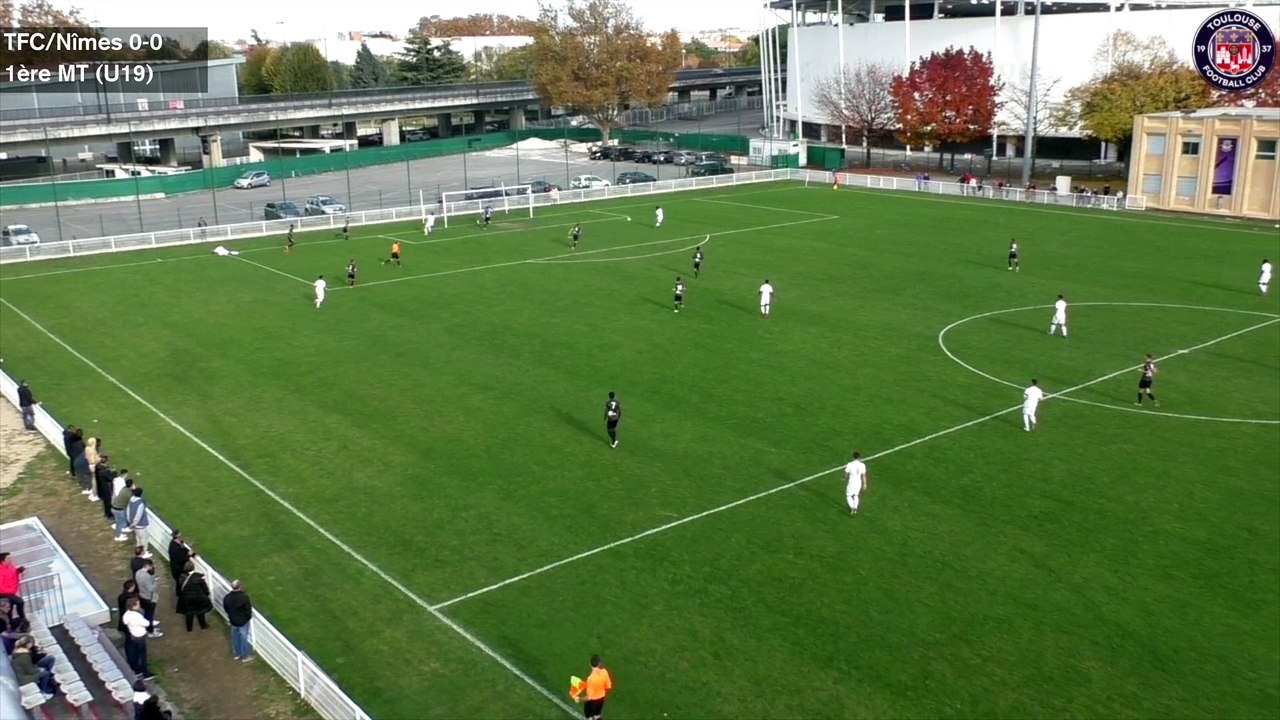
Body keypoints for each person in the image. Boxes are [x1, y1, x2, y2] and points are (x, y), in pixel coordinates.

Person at [571, 654, 612, 720]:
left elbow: (589, 697)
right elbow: (608, 687)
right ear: (599, 663)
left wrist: (579, 699)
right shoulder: (605, 672)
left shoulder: (590, 679)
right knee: (597, 716)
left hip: (592, 702)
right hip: (601, 699)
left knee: (589, 717)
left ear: (590, 664)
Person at [121, 597, 153, 679]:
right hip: (140, 636)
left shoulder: (126, 614)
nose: (139, 605)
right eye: (138, 604)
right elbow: (147, 623)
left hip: (133, 635)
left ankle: (136, 669)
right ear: (134, 606)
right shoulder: (137, 616)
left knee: (134, 653)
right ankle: (145, 673)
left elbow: (125, 622)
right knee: (143, 655)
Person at [223, 579, 254, 661]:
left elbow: (226, 609)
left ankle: (236, 654)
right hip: (243, 621)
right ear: (240, 586)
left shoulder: (227, 597)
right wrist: (248, 617)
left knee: (235, 637)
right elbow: (248, 610)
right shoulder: (244, 597)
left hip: (233, 620)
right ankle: (245, 656)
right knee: (243, 638)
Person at [177, 560, 212, 631]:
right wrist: (206, 594)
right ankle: (203, 625)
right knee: (201, 612)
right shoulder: (199, 576)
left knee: (189, 613)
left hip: (187, 599)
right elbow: (205, 589)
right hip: (199, 598)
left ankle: (189, 628)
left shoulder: (181, 577)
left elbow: (178, 590)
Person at [134, 560, 163, 638]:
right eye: (151, 566)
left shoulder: (138, 572)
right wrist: (156, 582)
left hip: (142, 596)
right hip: (149, 598)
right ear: (148, 566)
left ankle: (149, 628)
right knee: (149, 615)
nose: (152, 567)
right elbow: (151, 588)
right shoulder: (146, 576)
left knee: (147, 614)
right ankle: (151, 631)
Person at [126, 487, 152, 559]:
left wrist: (130, 522)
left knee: (138, 538)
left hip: (134, 525)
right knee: (144, 539)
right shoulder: (140, 503)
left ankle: (139, 551)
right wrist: (133, 523)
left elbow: (128, 511)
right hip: (140, 525)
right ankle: (143, 553)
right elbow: (138, 515)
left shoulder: (131, 501)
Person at [0, 553, 25, 620]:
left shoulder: (10, 566)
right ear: (3, 560)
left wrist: (19, 570)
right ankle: (23, 619)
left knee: (10, 607)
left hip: (11, 592)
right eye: (8, 558)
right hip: (4, 593)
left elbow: (13, 573)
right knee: (20, 602)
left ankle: (11, 623)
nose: (11, 559)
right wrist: (9, 592)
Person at [844, 451, 869, 516]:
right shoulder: (862, 465)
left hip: (851, 481)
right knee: (856, 495)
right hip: (858, 482)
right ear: (859, 457)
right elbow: (863, 475)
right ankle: (855, 508)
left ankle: (852, 507)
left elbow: (846, 474)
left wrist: (845, 478)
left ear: (853, 457)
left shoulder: (849, 464)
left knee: (849, 495)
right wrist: (865, 484)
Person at [111, 473, 134, 541]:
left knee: (121, 521)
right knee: (119, 523)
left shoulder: (124, 489)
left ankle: (121, 532)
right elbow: (132, 497)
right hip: (118, 509)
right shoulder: (128, 493)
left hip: (115, 507)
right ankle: (118, 536)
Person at [94, 454, 116, 520]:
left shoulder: (97, 467)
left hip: (100, 487)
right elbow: (111, 478)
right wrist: (114, 472)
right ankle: (109, 514)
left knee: (105, 502)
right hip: (106, 488)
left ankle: (107, 513)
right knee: (108, 502)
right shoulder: (104, 472)